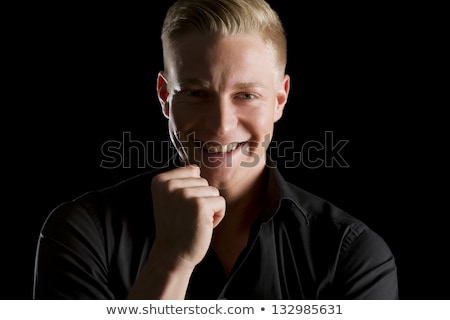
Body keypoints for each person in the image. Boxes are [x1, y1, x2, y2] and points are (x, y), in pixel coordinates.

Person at [33, 0, 398, 299]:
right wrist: (170, 262)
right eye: (195, 93)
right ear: (164, 97)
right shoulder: (81, 233)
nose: (221, 125)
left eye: (246, 95)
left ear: (279, 99)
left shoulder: (351, 254)